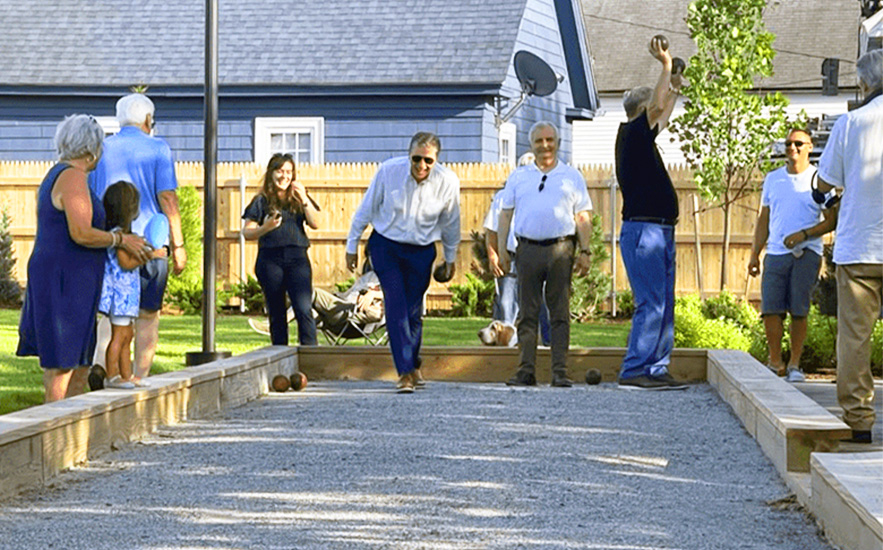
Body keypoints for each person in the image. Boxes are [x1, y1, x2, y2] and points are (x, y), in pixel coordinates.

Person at [17, 115, 149, 402]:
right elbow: (80, 233)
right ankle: (54, 432)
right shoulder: (72, 177)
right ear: (92, 150)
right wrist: (120, 239)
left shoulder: (61, 174)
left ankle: (71, 432)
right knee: (62, 364)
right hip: (64, 279)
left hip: (72, 277)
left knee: (79, 362)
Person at [346, 132, 461, 393]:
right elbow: (365, 209)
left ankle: (414, 363)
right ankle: (405, 373)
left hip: (421, 250)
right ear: (409, 155)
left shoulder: (447, 181)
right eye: (416, 159)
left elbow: (451, 223)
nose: (421, 166)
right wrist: (352, 244)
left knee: (412, 311)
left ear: (436, 160)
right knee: (395, 303)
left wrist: (450, 259)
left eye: (428, 161)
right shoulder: (388, 171)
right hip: (386, 245)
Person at [89, 93, 186, 380]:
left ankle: (103, 369)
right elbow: (167, 198)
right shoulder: (158, 149)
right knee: (147, 315)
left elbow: (94, 199)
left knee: (111, 312)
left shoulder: (101, 149)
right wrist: (178, 245)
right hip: (151, 244)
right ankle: (139, 378)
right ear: (148, 119)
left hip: (113, 244)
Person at [814, 49, 883, 445]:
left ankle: (859, 421)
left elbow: (825, 183)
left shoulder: (851, 123)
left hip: (859, 247)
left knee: (855, 338)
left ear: (863, 83)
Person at [613, 35, 687, 390]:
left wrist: (675, 84)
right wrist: (666, 65)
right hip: (644, 233)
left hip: (659, 230)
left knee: (664, 303)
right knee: (651, 303)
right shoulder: (632, 133)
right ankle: (635, 370)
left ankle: (656, 367)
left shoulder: (643, 138)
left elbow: (664, 107)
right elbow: (658, 106)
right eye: (653, 110)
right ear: (642, 111)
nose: (660, 113)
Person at [497, 121, 593, 387]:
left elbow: (583, 216)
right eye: (539, 141)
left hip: (561, 250)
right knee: (527, 313)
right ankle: (526, 370)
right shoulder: (519, 176)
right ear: (532, 145)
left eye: (550, 140)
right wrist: (504, 248)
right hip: (526, 250)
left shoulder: (572, 176)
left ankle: (559, 371)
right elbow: (505, 214)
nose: (545, 146)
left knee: (559, 312)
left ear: (558, 142)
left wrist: (585, 250)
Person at [748, 129, 835, 383]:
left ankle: (795, 364)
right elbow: (763, 219)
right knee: (771, 308)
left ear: (810, 147)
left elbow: (832, 220)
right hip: (775, 252)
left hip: (806, 253)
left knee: (799, 309)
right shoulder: (773, 180)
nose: (792, 148)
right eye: (788, 144)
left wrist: (805, 234)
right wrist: (754, 254)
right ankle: (775, 363)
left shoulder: (820, 181)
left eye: (798, 143)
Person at [242, 153, 320, 346]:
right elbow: (247, 232)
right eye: (280, 171)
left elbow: (316, 222)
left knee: (303, 309)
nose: (284, 176)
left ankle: (311, 355)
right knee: (276, 312)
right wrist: (265, 228)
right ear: (271, 174)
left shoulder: (298, 198)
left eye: (288, 172)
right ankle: (279, 355)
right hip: (270, 260)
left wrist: (303, 198)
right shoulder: (261, 201)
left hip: (297, 258)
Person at [98, 181, 167, 389]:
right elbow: (125, 263)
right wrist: (151, 256)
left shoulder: (124, 234)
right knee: (119, 336)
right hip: (119, 295)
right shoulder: (119, 235)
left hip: (126, 296)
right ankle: (112, 376)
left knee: (127, 334)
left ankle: (127, 375)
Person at [484, 152, 551, 345]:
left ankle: (548, 347)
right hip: (509, 258)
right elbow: (491, 231)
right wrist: (493, 256)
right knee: (505, 306)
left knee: (543, 306)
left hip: (538, 256)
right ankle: (504, 351)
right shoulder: (502, 197)